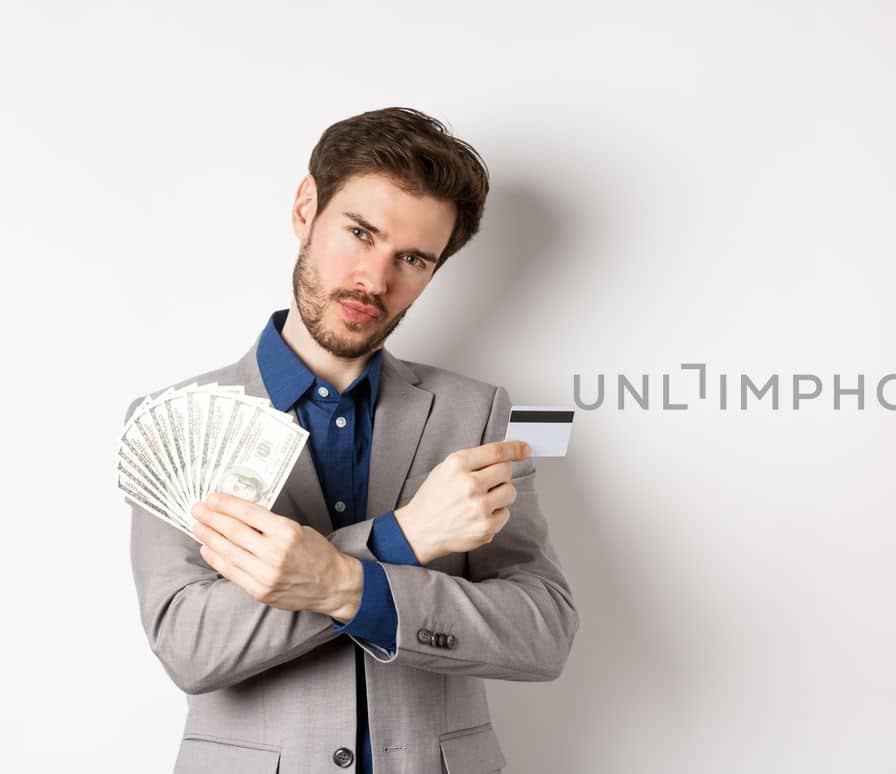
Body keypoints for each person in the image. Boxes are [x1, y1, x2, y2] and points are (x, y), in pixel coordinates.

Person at [125, 107, 579, 774]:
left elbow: (543, 635)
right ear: (306, 208)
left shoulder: (478, 414)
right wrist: (398, 542)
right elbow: (190, 649)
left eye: (413, 259)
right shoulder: (175, 422)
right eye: (360, 232)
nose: (374, 279)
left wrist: (346, 584)